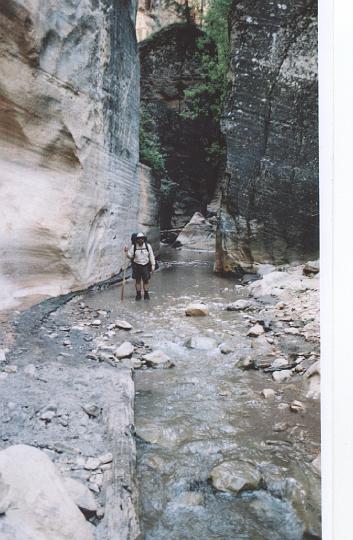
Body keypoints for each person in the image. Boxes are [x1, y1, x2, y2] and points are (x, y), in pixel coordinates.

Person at [124, 232, 155, 300]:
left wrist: (153, 265)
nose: (141, 240)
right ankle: (138, 294)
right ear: (137, 239)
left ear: (144, 239)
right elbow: (130, 256)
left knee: (146, 281)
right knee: (138, 280)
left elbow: (151, 255)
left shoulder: (148, 246)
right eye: (139, 239)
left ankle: (146, 294)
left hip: (145, 265)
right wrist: (126, 252)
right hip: (137, 265)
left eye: (142, 239)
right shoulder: (134, 246)